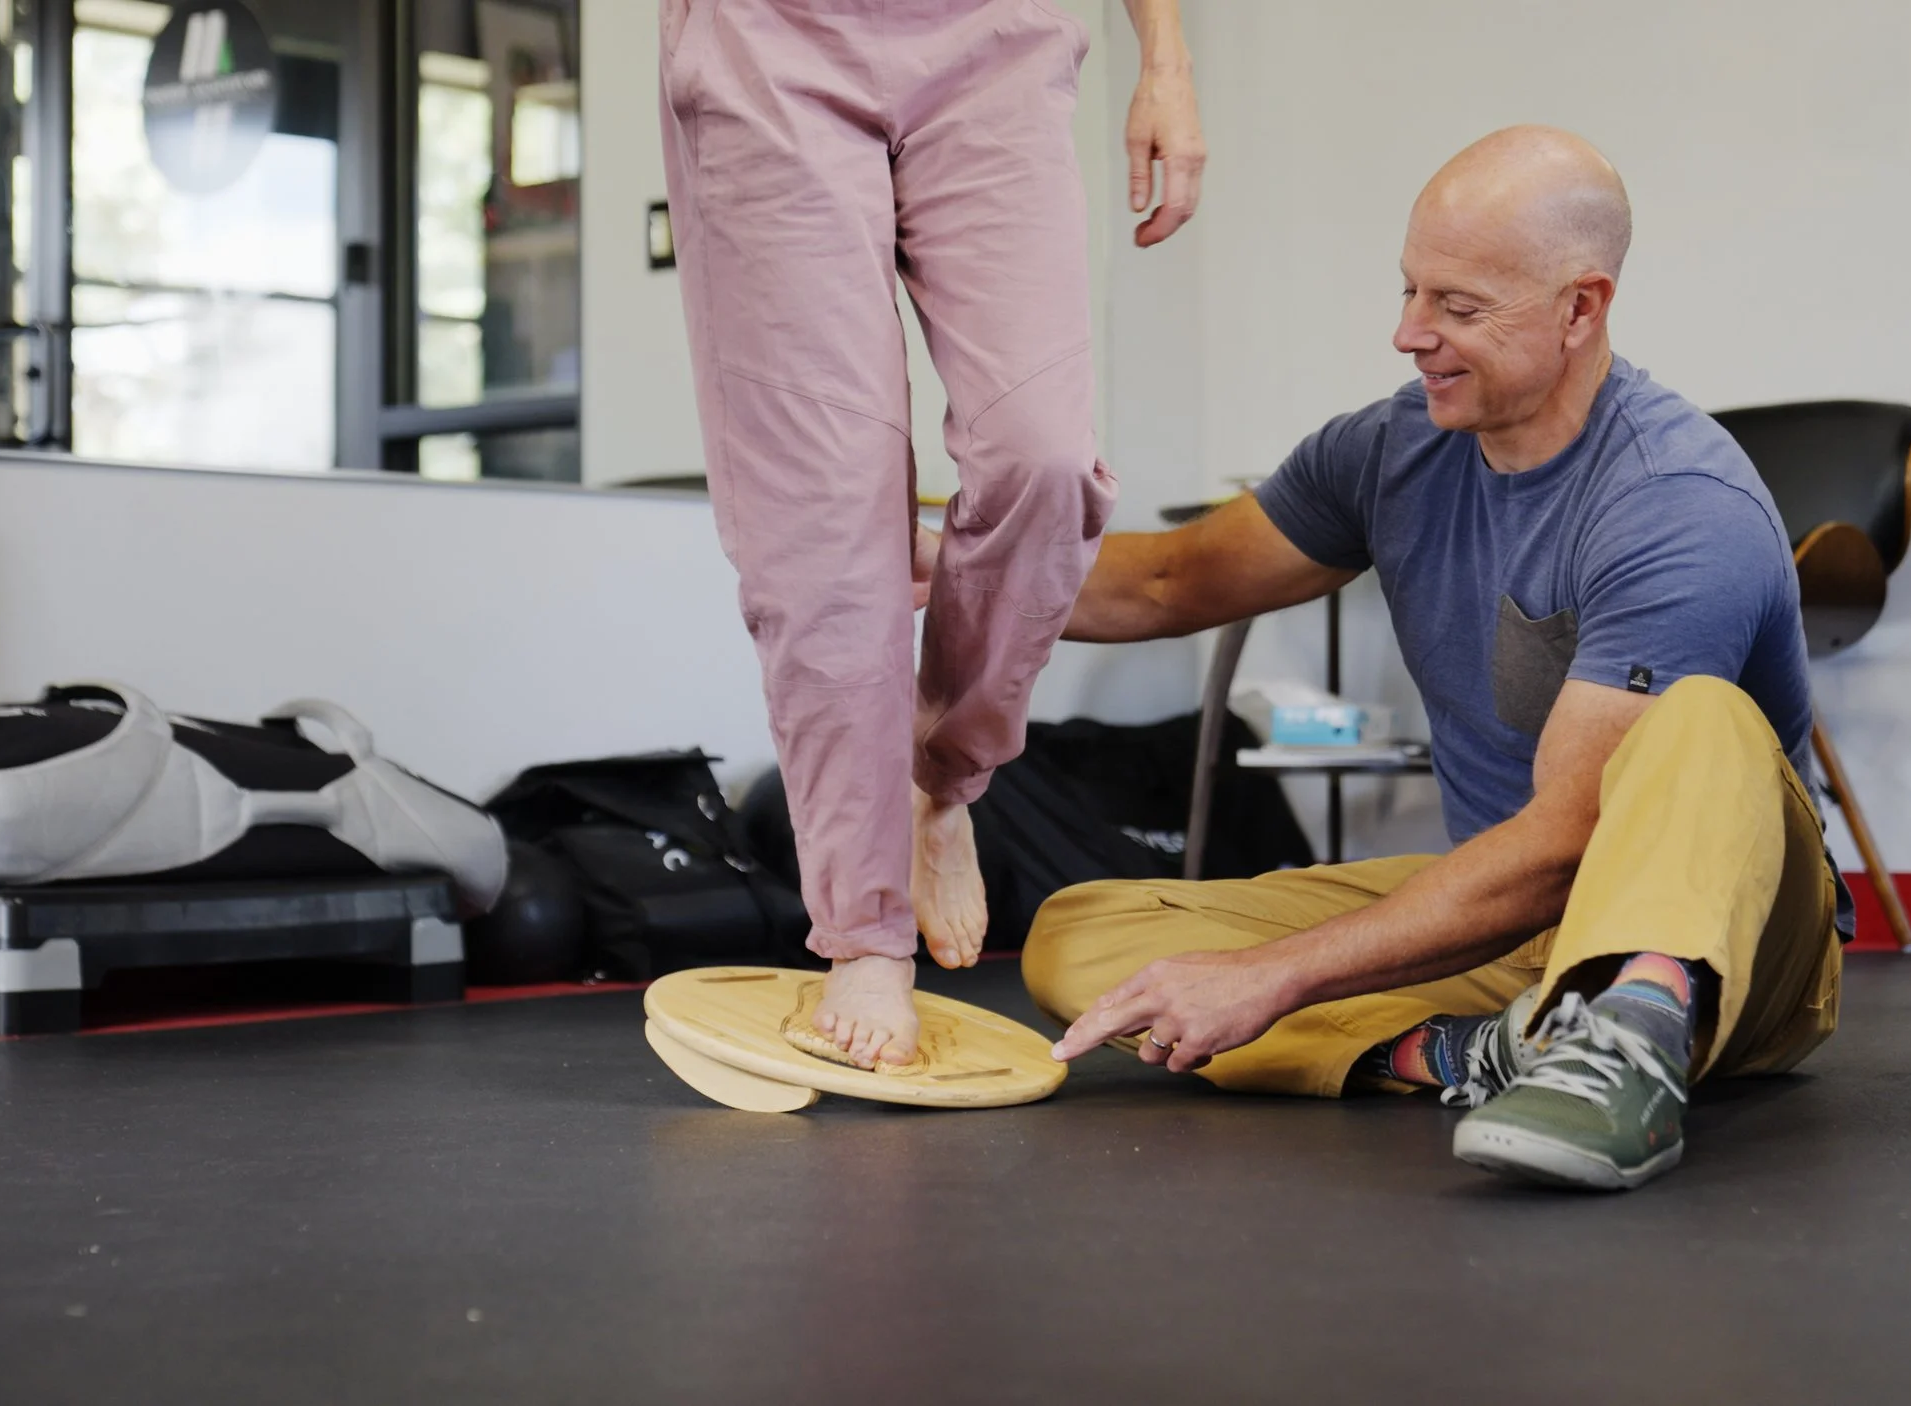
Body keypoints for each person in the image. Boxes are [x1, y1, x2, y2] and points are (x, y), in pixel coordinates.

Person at [1017, 126, 1851, 1190]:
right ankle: (1470, 1050)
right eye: (1411, 292)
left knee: (1697, 715)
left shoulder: (1677, 503)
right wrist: (955, 570)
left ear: (1580, 307)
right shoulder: (1388, 448)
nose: (1409, 334)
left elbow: (1565, 841)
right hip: (1516, 930)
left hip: (1728, 941)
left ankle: (1630, 1029)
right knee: (1081, 938)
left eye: (1458, 308)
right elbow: (1170, 579)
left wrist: (1271, 978)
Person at [658, 0, 1206, 1068]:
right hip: (769, 39)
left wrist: (1166, 59)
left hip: (996, 36)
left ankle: (941, 772)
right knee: (825, 521)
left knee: (1043, 457)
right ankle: (865, 932)